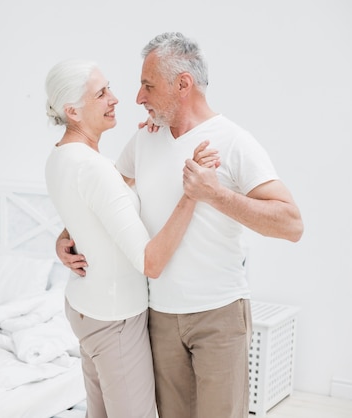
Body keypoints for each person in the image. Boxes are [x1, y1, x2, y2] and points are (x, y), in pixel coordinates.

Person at [57, 33, 304, 418]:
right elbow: (106, 197)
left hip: (218, 316)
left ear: (183, 84)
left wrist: (216, 194)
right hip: (158, 317)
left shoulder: (235, 141)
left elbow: (291, 224)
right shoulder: (144, 138)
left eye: (148, 85)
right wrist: (67, 235)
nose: (138, 97)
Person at [44, 59, 219, 418]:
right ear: (72, 110)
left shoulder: (61, 156)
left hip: (85, 307)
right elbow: (150, 262)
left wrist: (65, 234)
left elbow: (91, 205)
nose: (115, 98)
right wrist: (193, 192)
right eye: (102, 93)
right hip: (115, 317)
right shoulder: (93, 169)